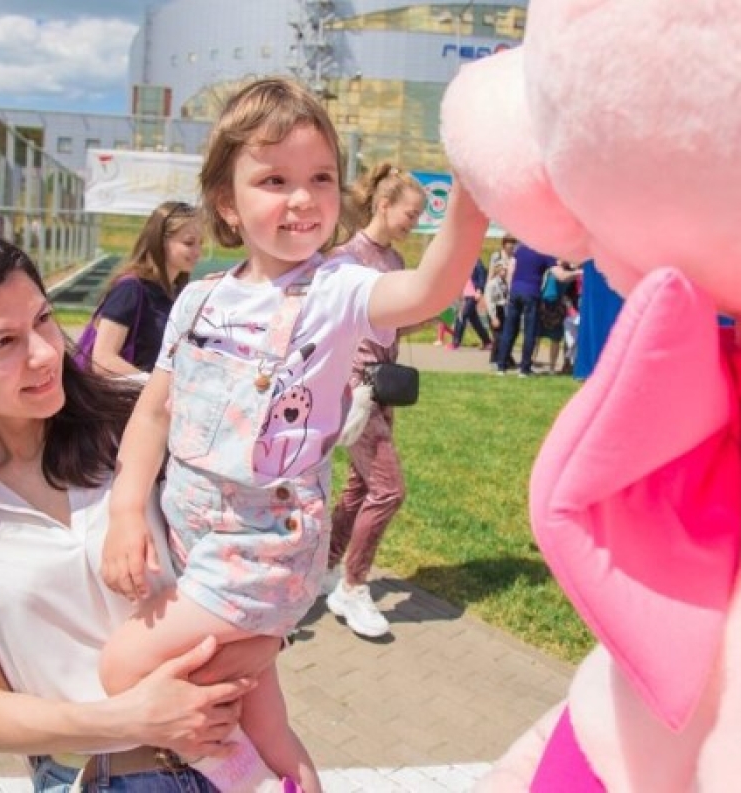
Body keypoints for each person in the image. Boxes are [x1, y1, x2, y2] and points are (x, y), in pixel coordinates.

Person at [99, 78, 488, 792]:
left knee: (123, 667)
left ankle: (244, 782)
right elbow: (154, 410)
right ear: (226, 201)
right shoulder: (198, 297)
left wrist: (474, 181)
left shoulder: (337, 291)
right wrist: (128, 507)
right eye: (274, 179)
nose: (302, 199)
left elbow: (430, 289)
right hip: (194, 538)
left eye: (319, 179)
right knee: (267, 719)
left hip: (265, 543)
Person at [0, 233, 280, 793]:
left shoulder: (136, 432)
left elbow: (255, 539)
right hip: (88, 778)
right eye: (2, 343)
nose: (44, 352)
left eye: (43, 319)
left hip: (235, 760)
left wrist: (267, 636)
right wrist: (131, 717)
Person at [321, 163, 426, 639]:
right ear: (383, 205)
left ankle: (324, 568)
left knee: (360, 489)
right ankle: (353, 586)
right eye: (410, 213)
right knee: (389, 489)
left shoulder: (396, 263)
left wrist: (422, 312)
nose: (414, 223)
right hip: (354, 391)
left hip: (383, 388)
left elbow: (391, 323)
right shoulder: (345, 258)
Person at [86, 201, 202, 378]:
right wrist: (150, 387)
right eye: (189, 243)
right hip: (125, 401)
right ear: (160, 242)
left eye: (200, 243)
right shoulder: (130, 289)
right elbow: (102, 360)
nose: (198, 251)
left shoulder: (177, 293)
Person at [494, 242, 553, 376]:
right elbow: (557, 271)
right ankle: (524, 368)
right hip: (532, 293)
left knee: (509, 330)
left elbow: (511, 269)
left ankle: (501, 366)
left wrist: (510, 290)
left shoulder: (520, 249)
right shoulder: (545, 251)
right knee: (529, 332)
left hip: (515, 292)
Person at [449, 258, 492, 351]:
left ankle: (455, 342)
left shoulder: (476, 261)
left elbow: (482, 275)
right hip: (466, 294)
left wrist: (479, 290)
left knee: (462, 315)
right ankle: (487, 342)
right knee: (475, 321)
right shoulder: (463, 262)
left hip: (473, 294)